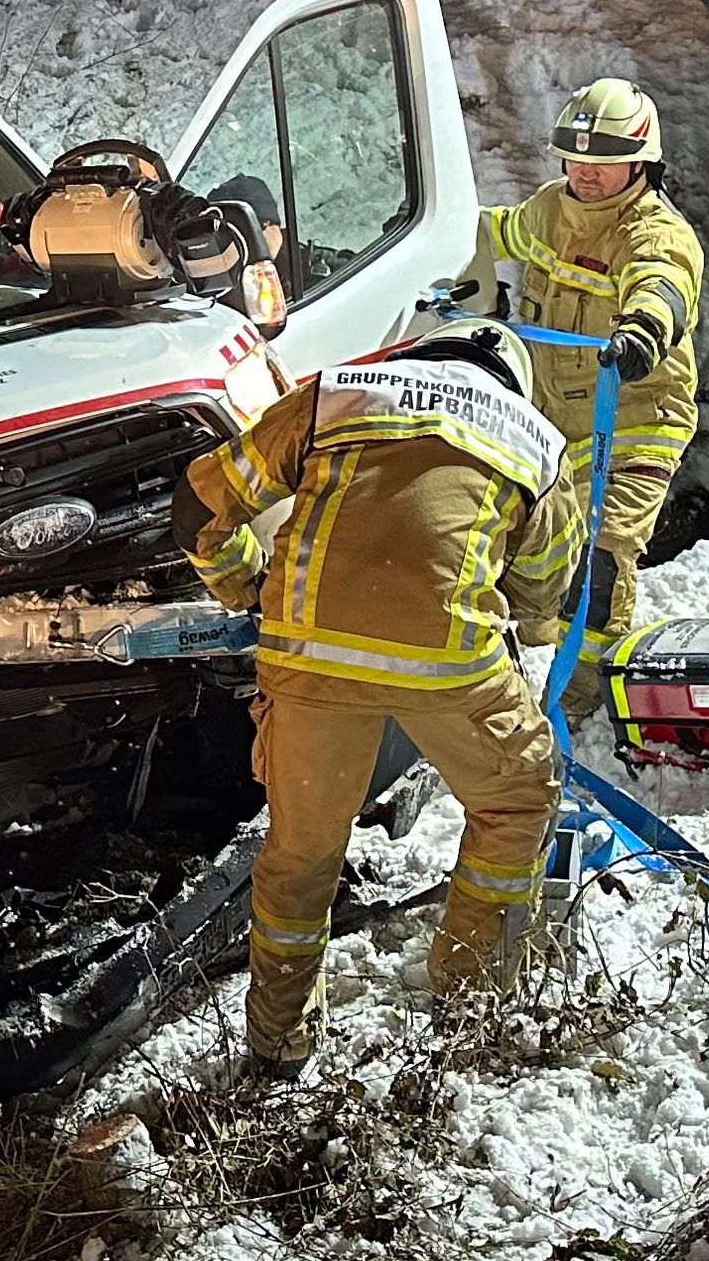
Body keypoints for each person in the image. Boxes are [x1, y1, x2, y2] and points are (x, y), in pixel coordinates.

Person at [181, 320, 587, 1081]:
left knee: (301, 852)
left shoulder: (334, 396)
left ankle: (277, 1045)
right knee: (517, 804)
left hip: (308, 654)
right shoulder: (537, 444)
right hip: (447, 664)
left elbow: (198, 508)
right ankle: (466, 1008)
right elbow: (539, 601)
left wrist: (248, 582)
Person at [464, 79, 704, 695]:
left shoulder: (652, 232)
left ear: (642, 163)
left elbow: (663, 283)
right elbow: (493, 233)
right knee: (532, 544)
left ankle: (587, 686)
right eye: (576, 160)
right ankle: (532, 647)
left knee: (606, 545)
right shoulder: (550, 209)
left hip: (634, 420)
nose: (586, 175)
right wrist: (435, 250)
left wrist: (644, 331)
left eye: (604, 163)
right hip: (554, 422)